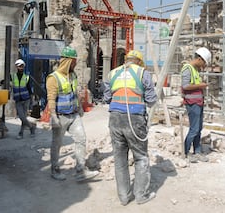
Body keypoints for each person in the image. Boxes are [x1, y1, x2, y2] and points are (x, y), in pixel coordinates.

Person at [103, 50, 157, 206]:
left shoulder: (112, 73)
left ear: (126, 60)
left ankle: (124, 197)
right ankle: (141, 195)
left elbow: (107, 98)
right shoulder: (142, 73)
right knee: (140, 157)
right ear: (139, 62)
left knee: (120, 159)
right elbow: (151, 100)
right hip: (134, 119)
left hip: (115, 118)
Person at [46, 46, 99, 181]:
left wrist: (80, 107)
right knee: (56, 143)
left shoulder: (73, 75)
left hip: (73, 115)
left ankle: (80, 170)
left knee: (81, 138)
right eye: (73, 61)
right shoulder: (53, 78)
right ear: (67, 61)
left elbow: (75, 93)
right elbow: (51, 98)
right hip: (60, 116)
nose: (75, 64)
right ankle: (55, 169)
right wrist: (53, 116)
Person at [181, 47, 211, 163]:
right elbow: (185, 86)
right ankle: (186, 152)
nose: (203, 66)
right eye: (204, 63)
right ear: (199, 59)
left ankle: (197, 152)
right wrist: (201, 86)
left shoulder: (195, 70)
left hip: (198, 103)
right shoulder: (187, 69)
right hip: (192, 104)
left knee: (198, 129)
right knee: (194, 129)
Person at [11, 59, 36, 140]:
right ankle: (31, 127)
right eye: (19, 66)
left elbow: (29, 89)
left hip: (26, 99)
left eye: (21, 66)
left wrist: (32, 100)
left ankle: (21, 133)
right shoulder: (12, 76)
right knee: (22, 117)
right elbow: (7, 82)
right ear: (16, 66)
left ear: (23, 66)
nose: (20, 67)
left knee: (23, 117)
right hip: (18, 100)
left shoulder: (27, 77)